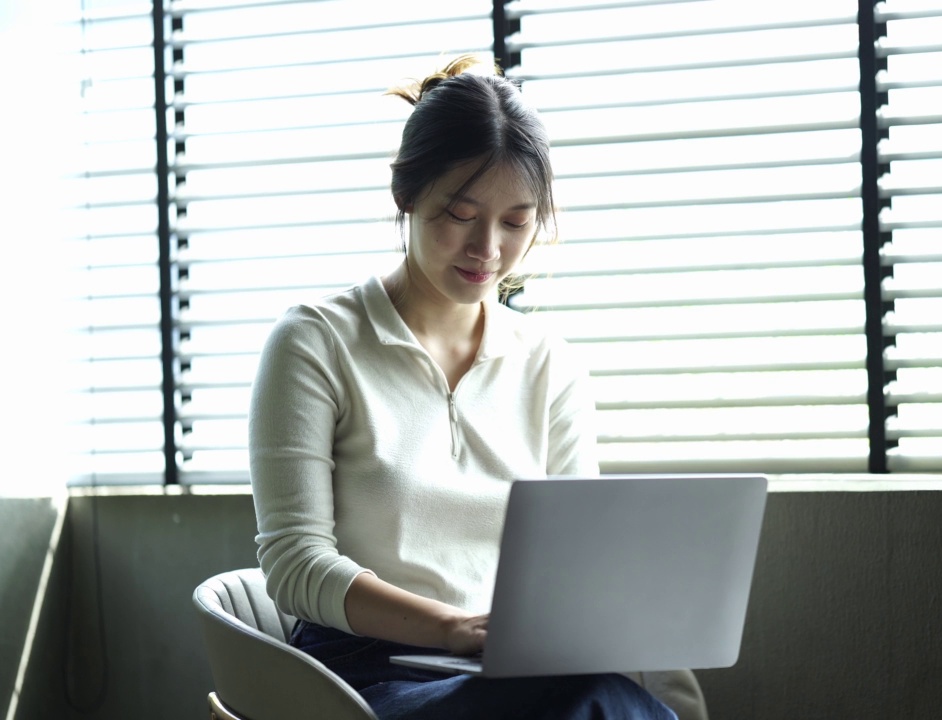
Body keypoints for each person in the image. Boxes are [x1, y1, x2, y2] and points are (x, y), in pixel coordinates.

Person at [248, 55, 677, 720]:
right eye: (461, 212)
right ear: (407, 195)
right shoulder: (317, 341)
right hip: (358, 674)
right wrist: (449, 627)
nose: (488, 249)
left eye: (516, 222)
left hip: (512, 667)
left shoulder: (549, 364)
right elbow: (295, 564)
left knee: (608, 699)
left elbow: (577, 564)